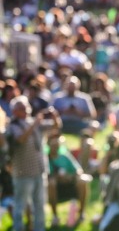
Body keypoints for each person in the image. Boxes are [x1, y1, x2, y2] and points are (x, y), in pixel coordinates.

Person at [6, 96, 61, 231]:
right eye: (20, 108)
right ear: (14, 111)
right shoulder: (12, 126)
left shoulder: (35, 122)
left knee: (40, 205)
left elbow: (56, 127)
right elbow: (21, 139)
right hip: (23, 173)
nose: (24, 110)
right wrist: (35, 123)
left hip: (40, 170)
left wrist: (55, 116)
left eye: (25, 107)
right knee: (20, 205)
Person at [47, 132, 91, 226]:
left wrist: (70, 177)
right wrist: (56, 178)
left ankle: (81, 214)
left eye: (57, 145)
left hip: (70, 185)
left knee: (82, 182)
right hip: (55, 188)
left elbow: (78, 171)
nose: (56, 147)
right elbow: (46, 176)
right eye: (53, 145)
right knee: (51, 183)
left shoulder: (65, 156)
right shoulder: (45, 159)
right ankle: (55, 217)